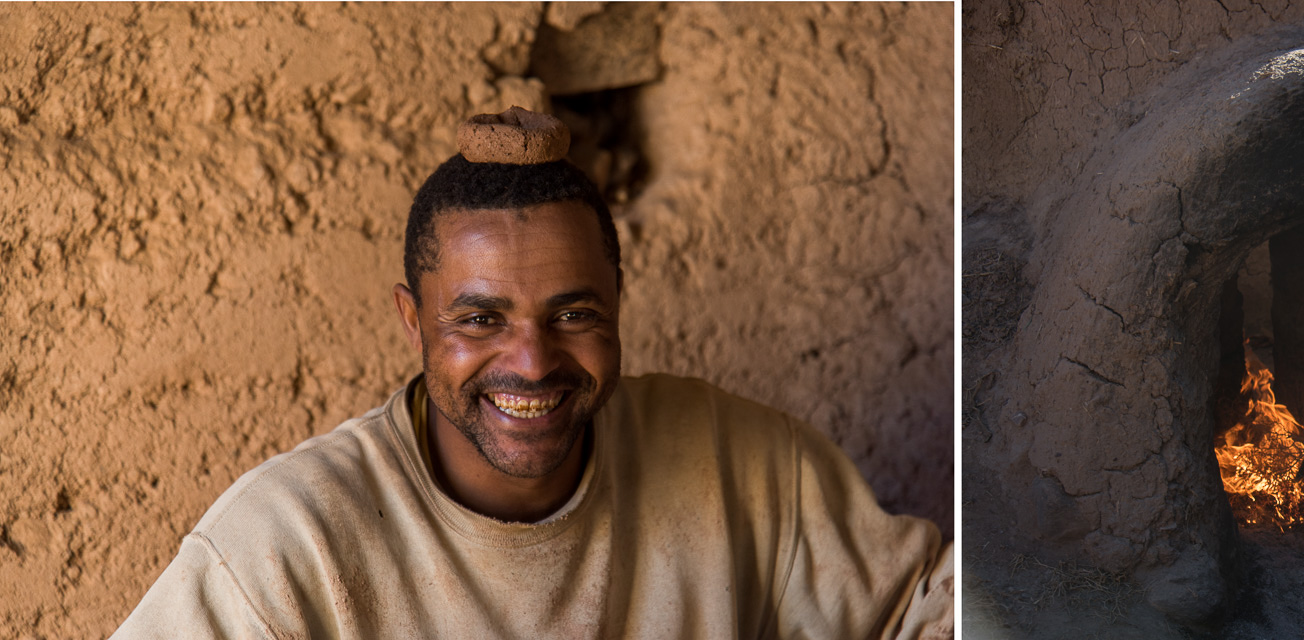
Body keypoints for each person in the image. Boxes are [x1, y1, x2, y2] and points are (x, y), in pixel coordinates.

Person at [112, 108, 953, 638]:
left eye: (573, 314)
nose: (532, 360)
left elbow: (925, 609)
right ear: (414, 320)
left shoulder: (739, 462)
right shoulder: (288, 547)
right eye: (480, 319)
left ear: (619, 302)